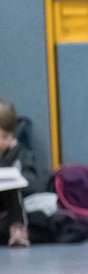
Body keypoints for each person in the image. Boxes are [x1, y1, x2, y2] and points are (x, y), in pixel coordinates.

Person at [0, 99, 39, 247]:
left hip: (11, 202)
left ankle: (18, 229)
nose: (1, 142)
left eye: (5, 137)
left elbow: (33, 182)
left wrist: (14, 178)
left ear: (12, 136)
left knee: (11, 187)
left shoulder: (21, 153)